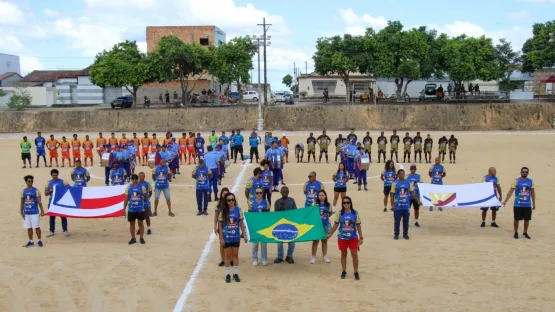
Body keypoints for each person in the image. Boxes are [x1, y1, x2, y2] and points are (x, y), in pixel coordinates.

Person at [327, 196, 363, 280]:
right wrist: (330, 234)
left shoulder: (355, 213)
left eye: (347, 202)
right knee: (343, 254)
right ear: (342, 204)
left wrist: (361, 237)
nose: (346, 204)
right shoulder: (339, 214)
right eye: (344, 202)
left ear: (350, 203)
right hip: (342, 238)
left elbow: (358, 226)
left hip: (353, 238)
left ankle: (356, 271)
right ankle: (344, 271)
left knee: (354, 255)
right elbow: (335, 225)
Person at [218, 192, 248, 283]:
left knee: (235, 255)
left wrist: (244, 235)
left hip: (235, 237)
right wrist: (221, 238)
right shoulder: (223, 211)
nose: (231, 201)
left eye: (232, 200)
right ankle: (227, 274)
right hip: (227, 237)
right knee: (228, 256)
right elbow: (220, 225)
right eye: (229, 200)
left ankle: (235, 273)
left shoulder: (238, 210)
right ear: (226, 201)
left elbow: (242, 224)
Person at [502, 167, 535, 239]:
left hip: (527, 204)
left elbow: (532, 192)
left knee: (527, 219)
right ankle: (516, 232)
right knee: (516, 219)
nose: (524, 173)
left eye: (526, 172)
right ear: (520, 172)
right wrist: (505, 201)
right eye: (523, 172)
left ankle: (525, 232)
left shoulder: (531, 181)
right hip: (518, 204)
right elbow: (510, 191)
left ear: (528, 173)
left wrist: (534, 203)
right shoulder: (516, 181)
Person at [390, 169, 421, 240]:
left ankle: (405, 234)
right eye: (401, 174)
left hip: (406, 205)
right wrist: (392, 205)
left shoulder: (408, 182)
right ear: (398, 175)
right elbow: (392, 195)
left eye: (403, 174)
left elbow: (412, 192)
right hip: (398, 205)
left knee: (406, 221)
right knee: (397, 220)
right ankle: (396, 234)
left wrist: (418, 201)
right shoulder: (395, 183)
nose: (402, 175)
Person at [274, 186, 297, 264]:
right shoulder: (277, 202)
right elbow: (275, 214)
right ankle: (280, 256)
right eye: (283, 192)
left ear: (288, 192)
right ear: (280, 192)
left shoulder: (291, 200)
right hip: (280, 225)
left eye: (286, 192)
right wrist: (280, 208)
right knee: (279, 243)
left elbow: (295, 212)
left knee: (292, 242)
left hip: (290, 225)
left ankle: (289, 256)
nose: (284, 193)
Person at [21, 175, 45, 247]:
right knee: (29, 227)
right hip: (27, 212)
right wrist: (21, 212)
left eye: (31, 181)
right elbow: (22, 202)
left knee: (37, 227)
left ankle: (39, 240)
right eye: (29, 181)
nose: (30, 182)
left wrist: (42, 211)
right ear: (26, 182)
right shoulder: (23, 191)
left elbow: (39, 202)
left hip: (34, 212)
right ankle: (31, 241)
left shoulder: (36, 191)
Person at [124, 174, 148, 245]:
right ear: (131, 180)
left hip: (140, 208)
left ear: (137, 179)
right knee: (132, 224)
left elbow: (145, 196)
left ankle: (141, 237)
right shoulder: (128, 188)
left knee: (140, 223)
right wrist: (124, 209)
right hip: (131, 209)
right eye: (133, 179)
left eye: (135, 179)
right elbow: (126, 199)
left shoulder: (142, 187)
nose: (134, 180)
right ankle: (133, 238)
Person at [45, 169, 69, 237]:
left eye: (56, 175)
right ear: (51, 175)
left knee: (63, 216)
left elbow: (69, 188)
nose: (54, 176)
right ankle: (51, 231)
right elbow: (45, 193)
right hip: (52, 202)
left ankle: (65, 230)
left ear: (57, 175)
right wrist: (50, 190)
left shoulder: (63, 182)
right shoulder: (48, 183)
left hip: (61, 202)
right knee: (52, 217)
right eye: (53, 175)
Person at [249, 187, 270, 266]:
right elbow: (250, 215)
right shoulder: (251, 203)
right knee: (255, 243)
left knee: (264, 243)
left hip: (263, 225)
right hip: (255, 226)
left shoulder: (266, 202)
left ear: (262, 193)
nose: (259, 194)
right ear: (255, 194)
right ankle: (255, 258)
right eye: (257, 193)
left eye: (260, 193)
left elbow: (268, 214)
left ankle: (264, 258)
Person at [311, 190, 332, 264]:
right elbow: (312, 213)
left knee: (324, 241)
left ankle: (325, 256)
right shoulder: (315, 204)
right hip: (317, 225)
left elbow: (330, 214)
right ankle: (313, 257)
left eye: (323, 195)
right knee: (315, 241)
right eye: (320, 195)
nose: (321, 197)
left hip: (325, 225)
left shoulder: (328, 204)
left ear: (325, 196)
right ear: (317, 196)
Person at [214, 188, 230, 267]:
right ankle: (223, 259)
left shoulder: (231, 203)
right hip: (221, 226)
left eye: (226, 193)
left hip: (230, 226)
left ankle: (229, 259)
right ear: (221, 194)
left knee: (230, 243)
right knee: (222, 244)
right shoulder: (218, 205)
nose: (225, 195)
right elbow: (216, 217)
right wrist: (215, 227)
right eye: (223, 193)